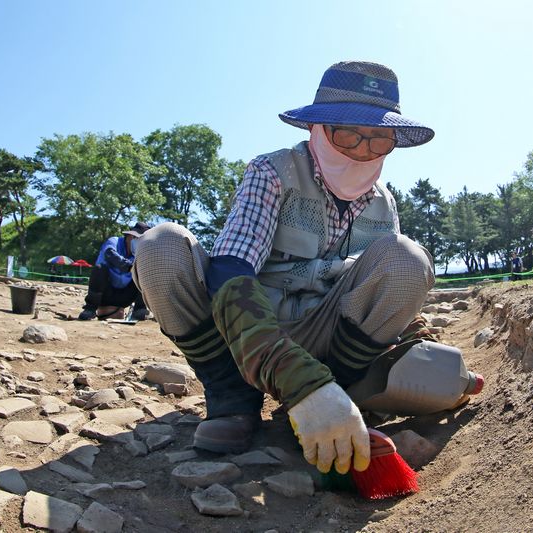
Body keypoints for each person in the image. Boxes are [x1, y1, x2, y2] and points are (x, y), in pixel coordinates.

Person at [133, 61, 447, 476]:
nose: (361, 149)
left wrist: (423, 350)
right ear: (317, 129)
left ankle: (336, 392)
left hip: (324, 333)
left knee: (408, 256)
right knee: (160, 245)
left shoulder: (383, 203)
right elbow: (231, 270)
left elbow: (385, 278)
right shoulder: (272, 172)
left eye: (378, 140)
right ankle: (232, 396)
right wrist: (300, 382)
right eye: (348, 133)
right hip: (247, 329)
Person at [78, 222, 151, 321]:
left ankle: (139, 309)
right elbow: (110, 254)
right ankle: (90, 309)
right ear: (130, 235)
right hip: (104, 294)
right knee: (99, 269)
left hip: (125, 297)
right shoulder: (114, 241)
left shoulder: (141, 254)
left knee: (145, 273)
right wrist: (129, 267)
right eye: (137, 239)